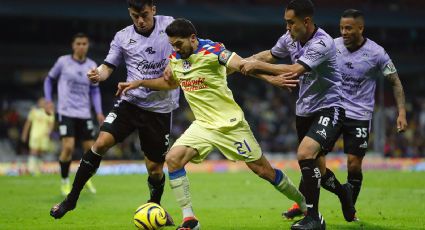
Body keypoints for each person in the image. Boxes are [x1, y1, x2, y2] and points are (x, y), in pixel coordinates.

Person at [116, 18, 306, 230]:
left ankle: (304, 204)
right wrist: (140, 82)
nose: (175, 48)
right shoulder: (175, 57)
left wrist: (272, 78)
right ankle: (190, 220)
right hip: (203, 125)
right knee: (173, 159)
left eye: (179, 44)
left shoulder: (214, 51)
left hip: (230, 125)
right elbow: (170, 83)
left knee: (264, 171)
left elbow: (243, 65)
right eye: (172, 45)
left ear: (193, 38)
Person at [49, 0, 179, 225]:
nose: (140, 20)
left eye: (145, 15)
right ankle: (71, 199)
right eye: (135, 15)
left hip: (160, 109)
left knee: (155, 169)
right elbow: (108, 66)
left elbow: (187, 48)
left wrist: (177, 60)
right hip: (130, 102)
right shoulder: (122, 37)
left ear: (154, 10)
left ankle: (155, 208)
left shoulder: (170, 26)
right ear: (129, 13)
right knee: (100, 143)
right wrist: (98, 74)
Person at [281, 9, 409, 222]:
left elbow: (395, 81)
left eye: (349, 28)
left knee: (353, 164)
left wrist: (401, 112)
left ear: (361, 28)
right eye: (341, 28)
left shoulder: (377, 53)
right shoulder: (332, 45)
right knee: (313, 159)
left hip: (359, 114)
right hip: (331, 107)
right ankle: (311, 202)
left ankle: (350, 206)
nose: (344, 32)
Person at [240, 0, 356, 228]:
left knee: (305, 154)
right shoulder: (289, 39)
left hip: (330, 107)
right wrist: (243, 61)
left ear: (306, 22)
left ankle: (313, 218)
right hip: (304, 110)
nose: (287, 28)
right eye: (286, 23)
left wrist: (256, 68)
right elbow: (271, 55)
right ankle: (344, 193)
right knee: (318, 170)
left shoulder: (322, 43)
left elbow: (294, 69)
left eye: (291, 23)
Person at [44, 32, 103, 195]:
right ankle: (64, 181)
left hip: (84, 113)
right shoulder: (63, 62)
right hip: (66, 111)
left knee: (89, 151)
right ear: (73, 45)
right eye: (78, 43)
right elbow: (49, 80)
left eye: (84, 43)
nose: (81, 46)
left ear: (88, 45)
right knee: (68, 147)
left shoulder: (92, 65)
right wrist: (48, 100)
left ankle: (86, 179)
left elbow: (95, 91)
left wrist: (98, 112)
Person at [21, 97, 55, 175]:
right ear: (38, 103)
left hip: (44, 136)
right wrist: (24, 134)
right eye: (41, 102)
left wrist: (49, 132)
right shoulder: (33, 111)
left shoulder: (49, 112)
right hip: (34, 135)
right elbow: (28, 123)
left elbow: (51, 123)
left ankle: (38, 169)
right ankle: (30, 169)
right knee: (33, 151)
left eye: (44, 102)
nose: (42, 103)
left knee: (41, 152)